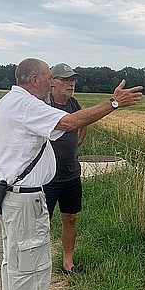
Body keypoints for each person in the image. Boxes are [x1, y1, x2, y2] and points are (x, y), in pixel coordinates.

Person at [0, 58, 142, 290]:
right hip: (25, 197)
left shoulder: (7, 101)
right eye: (49, 76)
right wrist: (113, 103)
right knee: (31, 261)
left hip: (11, 195)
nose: (52, 81)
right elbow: (70, 122)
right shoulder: (27, 105)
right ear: (35, 80)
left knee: (13, 258)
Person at [44, 63, 86, 275]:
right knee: (42, 223)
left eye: (73, 80)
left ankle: (68, 262)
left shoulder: (73, 104)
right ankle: (40, 264)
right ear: (52, 81)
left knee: (70, 218)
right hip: (47, 177)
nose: (71, 84)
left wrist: (77, 143)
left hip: (71, 174)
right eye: (66, 80)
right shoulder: (43, 105)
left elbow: (83, 121)